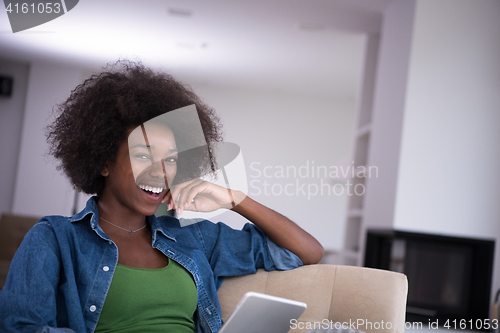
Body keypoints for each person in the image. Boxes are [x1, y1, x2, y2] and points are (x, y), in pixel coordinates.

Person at [0, 61, 324, 333]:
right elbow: (21, 327)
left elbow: (306, 251)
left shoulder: (194, 238)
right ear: (103, 161)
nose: (160, 171)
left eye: (171, 159)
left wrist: (234, 199)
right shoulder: (55, 238)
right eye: (143, 155)